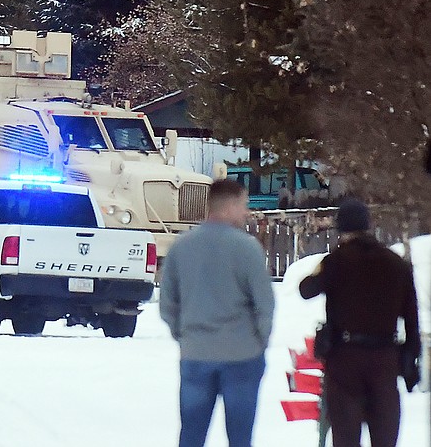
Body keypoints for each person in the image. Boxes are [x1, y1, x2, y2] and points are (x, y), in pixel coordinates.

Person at [159, 179, 274, 447]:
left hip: (196, 352)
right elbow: (264, 304)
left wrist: (185, 335)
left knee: (191, 435)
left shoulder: (181, 247)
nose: (245, 212)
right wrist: (259, 342)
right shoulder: (247, 248)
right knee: (240, 437)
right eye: (243, 205)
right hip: (242, 354)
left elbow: (167, 304)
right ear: (231, 205)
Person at [298, 199, 421, 447]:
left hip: (344, 360)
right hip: (385, 359)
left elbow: (306, 289)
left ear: (340, 229)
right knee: (384, 436)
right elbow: (411, 319)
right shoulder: (397, 265)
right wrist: (409, 359)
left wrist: (324, 265)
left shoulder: (336, 261)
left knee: (345, 437)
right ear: (369, 226)